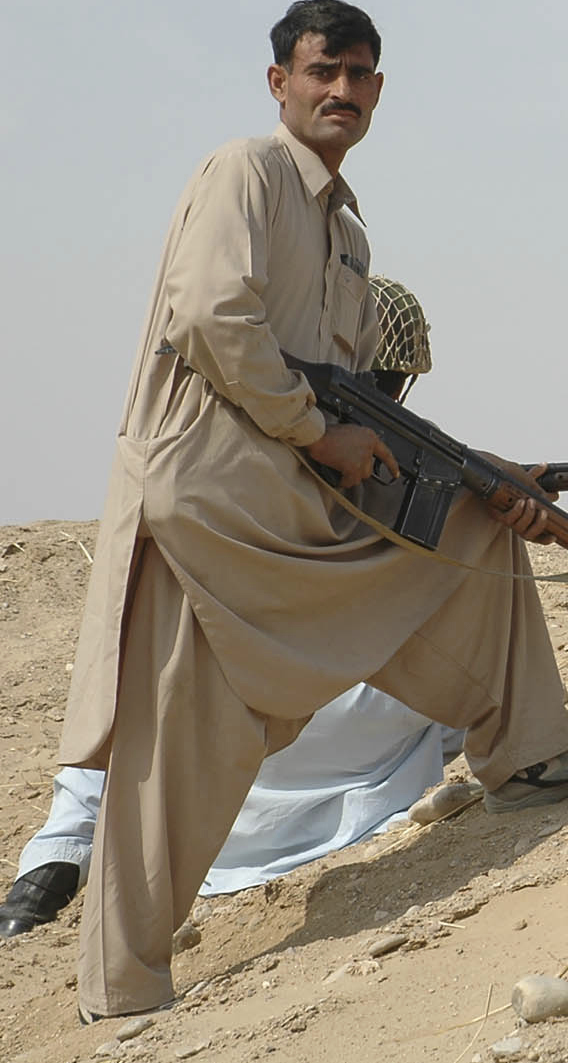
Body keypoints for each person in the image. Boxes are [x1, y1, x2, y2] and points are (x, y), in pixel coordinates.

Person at [58, 0, 568, 1021]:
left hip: (291, 500)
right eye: (323, 70)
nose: (342, 91)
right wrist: (315, 431)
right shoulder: (246, 172)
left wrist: (474, 467)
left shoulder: (345, 229)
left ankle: (529, 755)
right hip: (210, 504)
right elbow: (212, 316)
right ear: (279, 81)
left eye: (361, 74)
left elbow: (352, 395)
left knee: (473, 521)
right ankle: (119, 993)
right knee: (182, 734)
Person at [0, 277, 471, 939]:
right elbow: (457, 706)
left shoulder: (211, 492)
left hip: (220, 838)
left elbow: (115, 714)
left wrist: (55, 856)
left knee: (143, 661)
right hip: (362, 809)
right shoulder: (390, 515)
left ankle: (54, 863)